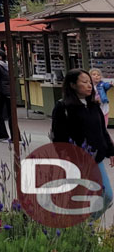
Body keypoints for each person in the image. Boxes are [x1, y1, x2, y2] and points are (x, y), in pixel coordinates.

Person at [51, 69, 114, 211]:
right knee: (80, 199)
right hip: (76, 161)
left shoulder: (93, 105)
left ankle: (87, 225)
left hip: (95, 158)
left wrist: (111, 151)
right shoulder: (63, 107)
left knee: (107, 195)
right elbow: (58, 137)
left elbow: (102, 131)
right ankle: (79, 228)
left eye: (89, 82)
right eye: (84, 82)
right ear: (73, 85)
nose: (89, 85)